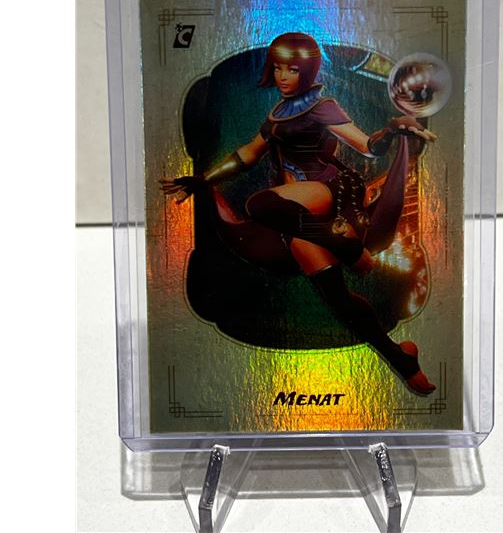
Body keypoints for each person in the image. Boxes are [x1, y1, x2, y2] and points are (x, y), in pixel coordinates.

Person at [161, 32, 437, 395]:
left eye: (292, 69)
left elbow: (368, 147)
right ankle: (401, 359)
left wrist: (391, 129)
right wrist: (203, 179)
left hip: (328, 190)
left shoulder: (323, 108)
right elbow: (247, 154)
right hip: (295, 213)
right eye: (278, 68)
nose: (283, 76)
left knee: (260, 204)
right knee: (338, 298)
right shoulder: (276, 115)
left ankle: (347, 247)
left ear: (308, 71)